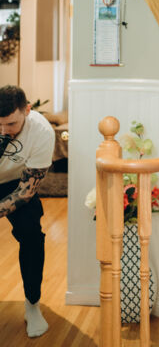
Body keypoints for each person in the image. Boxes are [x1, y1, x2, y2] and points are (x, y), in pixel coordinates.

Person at [0, 85, 55, 337]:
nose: (4, 131)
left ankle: (32, 304)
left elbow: (26, 191)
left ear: (27, 110)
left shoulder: (42, 132)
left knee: (32, 234)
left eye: (11, 124)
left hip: (16, 183)